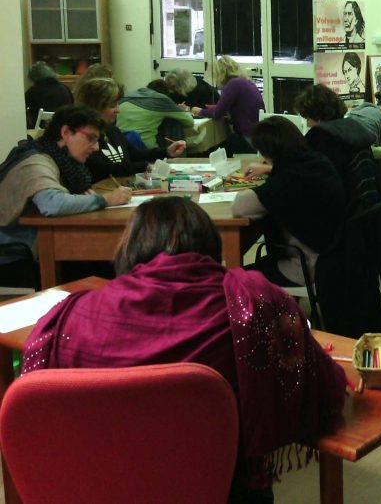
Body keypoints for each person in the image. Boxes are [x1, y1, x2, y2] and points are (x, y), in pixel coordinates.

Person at [21, 196, 348, 502]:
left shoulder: (71, 318)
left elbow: (36, 415)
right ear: (211, 245)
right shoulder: (254, 305)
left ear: (129, 249)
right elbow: (327, 392)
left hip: (101, 488)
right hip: (222, 489)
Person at [0, 105, 132, 285]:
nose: (96, 147)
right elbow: (52, 204)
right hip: (13, 255)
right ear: (66, 133)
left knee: (107, 265)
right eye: (91, 138)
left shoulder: (59, 159)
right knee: (103, 271)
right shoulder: (36, 162)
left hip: (34, 247)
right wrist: (105, 200)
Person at [233, 117, 345, 286]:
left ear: (267, 152)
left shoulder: (285, 181)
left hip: (306, 266)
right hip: (333, 255)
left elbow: (239, 207)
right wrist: (270, 168)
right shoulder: (316, 161)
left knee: (233, 279)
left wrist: (271, 173)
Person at [77, 77, 186, 182]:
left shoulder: (112, 130)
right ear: (95, 107)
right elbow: (104, 169)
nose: (118, 110)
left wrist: (166, 151)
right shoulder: (86, 138)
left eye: (117, 104)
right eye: (112, 106)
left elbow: (136, 154)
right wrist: (144, 166)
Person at [193, 56, 265, 155]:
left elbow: (217, 113)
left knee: (213, 150)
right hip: (257, 133)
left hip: (248, 135)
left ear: (220, 73)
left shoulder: (233, 84)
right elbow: (229, 107)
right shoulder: (244, 82)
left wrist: (199, 111)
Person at [116, 80, 195, 150]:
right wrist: (182, 110)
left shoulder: (127, 94)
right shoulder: (161, 99)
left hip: (119, 146)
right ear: (165, 94)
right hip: (144, 148)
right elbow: (190, 121)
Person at [24, 61, 73, 129]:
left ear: (34, 78)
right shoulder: (65, 89)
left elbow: (21, 108)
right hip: (64, 128)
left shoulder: (33, 92)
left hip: (41, 130)